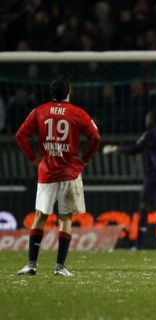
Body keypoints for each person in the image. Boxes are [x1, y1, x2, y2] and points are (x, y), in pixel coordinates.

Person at [16, 74, 101, 276]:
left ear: (52, 93)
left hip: (47, 171)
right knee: (65, 218)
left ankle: (31, 264)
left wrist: (32, 157)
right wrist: (85, 158)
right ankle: (60, 267)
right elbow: (96, 137)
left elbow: (20, 135)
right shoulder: (78, 113)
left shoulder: (40, 111)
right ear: (69, 91)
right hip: (70, 172)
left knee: (40, 217)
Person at [103, 111, 156, 250]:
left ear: (152, 119)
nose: (146, 121)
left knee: (144, 207)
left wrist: (115, 149)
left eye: (147, 118)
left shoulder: (152, 132)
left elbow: (135, 149)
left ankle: (139, 244)